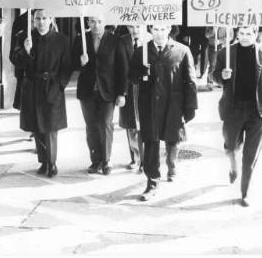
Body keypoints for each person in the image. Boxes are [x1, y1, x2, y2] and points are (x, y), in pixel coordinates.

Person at [130, 24, 198, 201]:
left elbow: (190, 81)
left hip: (173, 103)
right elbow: (131, 76)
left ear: (169, 30)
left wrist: (190, 107)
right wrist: (140, 74)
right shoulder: (141, 51)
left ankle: (172, 164)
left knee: (172, 138)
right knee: (151, 141)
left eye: (163, 29)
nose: (159, 33)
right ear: (150, 30)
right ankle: (152, 181)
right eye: (156, 29)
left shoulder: (182, 51)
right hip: (150, 104)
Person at [213, 25, 262, 206]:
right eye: (241, 33)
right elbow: (214, 75)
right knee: (231, 146)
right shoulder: (225, 52)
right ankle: (233, 165)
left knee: (251, 154)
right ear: (236, 34)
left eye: (249, 34)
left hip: (258, 110)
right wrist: (222, 76)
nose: (244, 37)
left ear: (255, 34)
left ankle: (245, 192)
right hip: (233, 108)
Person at [12, 9, 72, 177]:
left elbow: (67, 67)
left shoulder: (62, 40)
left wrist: (60, 85)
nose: (41, 22)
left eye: (45, 18)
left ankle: (52, 162)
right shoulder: (24, 37)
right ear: (33, 19)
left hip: (52, 86)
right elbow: (16, 61)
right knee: (36, 125)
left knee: (51, 126)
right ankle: (43, 161)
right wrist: (25, 50)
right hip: (32, 86)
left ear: (51, 19)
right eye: (38, 18)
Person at [74, 15, 128, 175]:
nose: (96, 25)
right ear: (88, 22)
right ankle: (95, 161)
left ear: (105, 22)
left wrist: (121, 93)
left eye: (99, 21)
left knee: (105, 124)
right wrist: (80, 62)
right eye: (92, 21)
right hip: (87, 90)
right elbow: (70, 62)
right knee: (91, 126)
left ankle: (106, 160)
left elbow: (122, 69)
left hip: (108, 91)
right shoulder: (81, 40)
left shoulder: (115, 40)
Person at [118, 25, 146, 171]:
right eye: (131, 26)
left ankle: (145, 158)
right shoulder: (121, 41)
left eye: (137, 26)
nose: (135, 29)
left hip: (146, 88)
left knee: (145, 124)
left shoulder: (150, 38)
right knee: (130, 125)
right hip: (128, 88)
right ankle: (134, 157)